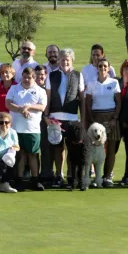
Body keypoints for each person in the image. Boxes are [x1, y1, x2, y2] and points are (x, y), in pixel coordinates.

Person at [45, 48, 84, 189]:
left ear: (72, 60)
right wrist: (46, 116)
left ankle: (71, 177)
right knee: (57, 148)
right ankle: (59, 175)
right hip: (55, 118)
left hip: (72, 118)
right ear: (59, 60)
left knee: (72, 149)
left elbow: (82, 99)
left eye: (67, 59)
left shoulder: (78, 75)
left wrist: (83, 120)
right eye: (62, 59)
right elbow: (48, 98)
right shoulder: (51, 75)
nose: (65, 62)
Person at [6, 66, 48, 191]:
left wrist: (28, 107)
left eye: (29, 78)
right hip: (16, 129)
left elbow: (42, 107)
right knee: (20, 155)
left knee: (33, 155)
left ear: (34, 78)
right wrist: (20, 109)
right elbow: (8, 103)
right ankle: (19, 180)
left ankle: (35, 180)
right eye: (24, 77)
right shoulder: (14, 88)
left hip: (32, 129)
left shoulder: (40, 91)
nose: (26, 80)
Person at [84, 57, 122, 187]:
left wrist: (115, 118)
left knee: (111, 148)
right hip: (96, 117)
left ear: (109, 68)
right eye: (100, 66)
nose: (103, 68)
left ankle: (107, 176)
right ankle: (97, 177)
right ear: (97, 68)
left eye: (105, 66)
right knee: (95, 148)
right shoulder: (91, 83)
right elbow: (88, 103)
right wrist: (91, 120)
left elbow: (119, 102)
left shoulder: (114, 82)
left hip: (111, 117)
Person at [0, 112, 20, 193]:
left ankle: (5, 183)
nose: (4, 124)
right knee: (3, 165)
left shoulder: (13, 132)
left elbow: (17, 147)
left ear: (10, 124)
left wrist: (13, 149)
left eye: (6, 122)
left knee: (16, 156)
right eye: (1, 122)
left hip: (6, 160)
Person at [35, 64, 54, 182]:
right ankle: (35, 173)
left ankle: (47, 173)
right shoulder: (31, 88)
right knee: (35, 148)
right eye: (37, 74)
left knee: (46, 147)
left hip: (47, 121)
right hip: (33, 121)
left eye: (42, 74)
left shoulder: (48, 88)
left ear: (46, 75)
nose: (39, 77)